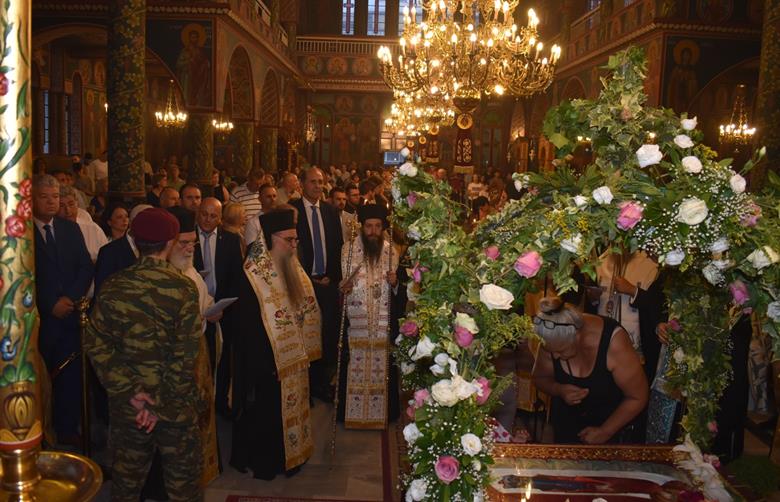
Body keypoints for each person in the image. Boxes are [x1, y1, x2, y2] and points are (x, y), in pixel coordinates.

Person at [85, 208, 203, 501]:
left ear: (136, 242)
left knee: (126, 486)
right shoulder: (183, 288)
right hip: (175, 407)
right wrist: (158, 404)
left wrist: (132, 393)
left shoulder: (113, 286)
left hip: (129, 407)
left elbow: (96, 345)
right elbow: (186, 356)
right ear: (170, 242)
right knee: (183, 488)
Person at [231, 207, 321, 479]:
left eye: (296, 240)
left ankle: (295, 455)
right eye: (289, 240)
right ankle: (270, 461)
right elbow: (246, 325)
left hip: (295, 357)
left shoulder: (293, 267)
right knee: (268, 413)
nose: (294, 245)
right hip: (266, 361)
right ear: (270, 239)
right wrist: (267, 360)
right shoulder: (252, 275)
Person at [531, 297, 649, 444]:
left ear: (577, 336)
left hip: (614, 429)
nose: (555, 356)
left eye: (561, 351)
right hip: (566, 430)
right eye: (551, 351)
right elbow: (539, 378)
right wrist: (558, 389)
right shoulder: (552, 333)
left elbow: (637, 397)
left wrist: (605, 431)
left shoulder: (613, 342)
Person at [33, 175, 94, 445]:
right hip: (40, 319)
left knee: (69, 379)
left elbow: (85, 267)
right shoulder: (21, 232)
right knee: (40, 379)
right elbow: (23, 276)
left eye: (55, 197)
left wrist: (70, 298)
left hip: (70, 316)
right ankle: (40, 432)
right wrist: (49, 304)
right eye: (44, 197)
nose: (51, 202)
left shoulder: (70, 229)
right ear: (32, 200)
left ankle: (68, 429)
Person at [337, 204, 400, 429]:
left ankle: (384, 413)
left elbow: (399, 291)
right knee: (353, 360)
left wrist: (395, 283)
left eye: (377, 226)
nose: (373, 231)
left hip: (382, 321)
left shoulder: (392, 251)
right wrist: (344, 287)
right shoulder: (348, 250)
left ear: (383, 228)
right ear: (361, 227)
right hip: (357, 321)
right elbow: (343, 284)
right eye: (369, 226)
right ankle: (351, 414)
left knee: (384, 362)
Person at [291, 167, 344, 402]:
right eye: (313, 182)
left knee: (328, 334)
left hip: (328, 282)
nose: (318, 186)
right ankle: (308, 385)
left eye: (321, 182)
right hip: (303, 282)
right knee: (306, 335)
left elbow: (337, 246)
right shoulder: (293, 210)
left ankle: (323, 383)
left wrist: (332, 275)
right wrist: (305, 276)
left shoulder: (330, 211)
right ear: (302, 184)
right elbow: (290, 249)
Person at [194, 198, 245, 416]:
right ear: (198, 214)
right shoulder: (187, 239)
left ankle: (221, 402)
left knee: (223, 359)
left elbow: (236, 276)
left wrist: (223, 306)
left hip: (223, 310)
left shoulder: (230, 240)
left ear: (220, 219)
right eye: (204, 214)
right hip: (196, 310)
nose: (207, 219)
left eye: (213, 216)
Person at [93, 204, 150, 294]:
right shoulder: (108, 249)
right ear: (109, 222)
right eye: (119, 217)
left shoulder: (149, 245)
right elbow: (102, 285)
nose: (125, 220)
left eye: (126, 216)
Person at [58, 184, 107, 263]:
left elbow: (107, 258)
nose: (68, 210)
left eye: (71, 204)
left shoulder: (93, 229)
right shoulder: (51, 232)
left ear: (77, 204)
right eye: (61, 206)